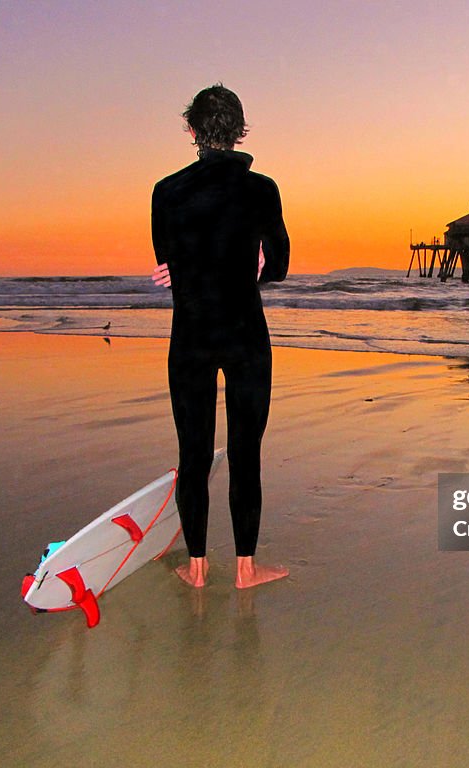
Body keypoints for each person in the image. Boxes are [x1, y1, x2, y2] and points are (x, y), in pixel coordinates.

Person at [150, 84, 290, 589]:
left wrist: (186, 268)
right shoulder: (261, 189)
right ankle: (247, 570)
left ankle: (196, 567)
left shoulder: (165, 192)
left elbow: (167, 261)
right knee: (245, 449)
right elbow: (280, 263)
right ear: (240, 131)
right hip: (244, 332)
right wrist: (258, 267)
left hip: (190, 333)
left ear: (192, 130)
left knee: (193, 450)